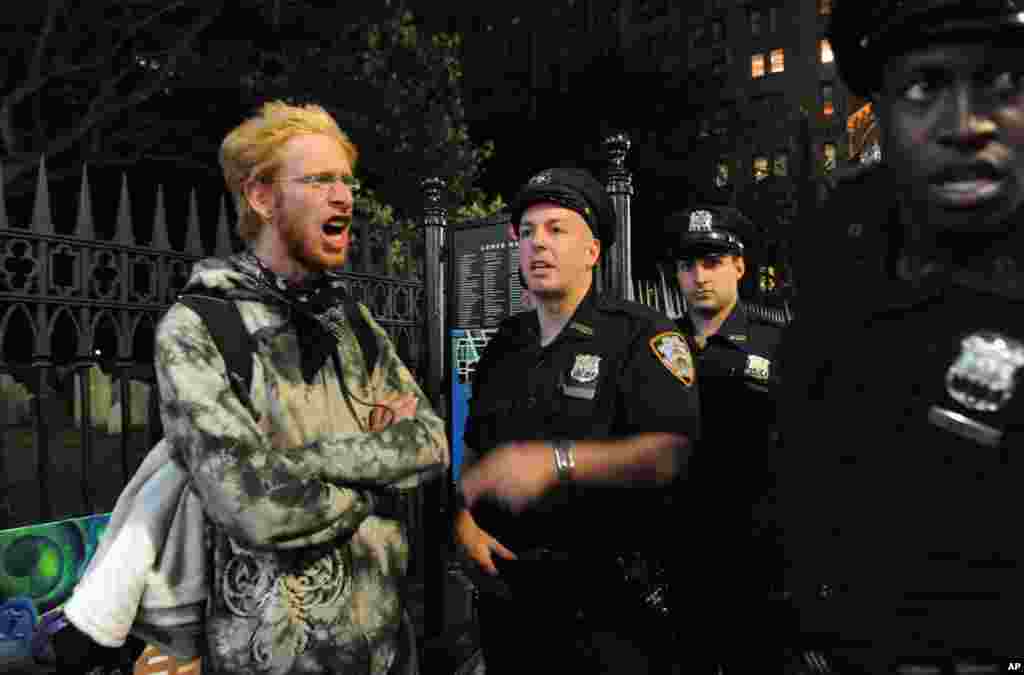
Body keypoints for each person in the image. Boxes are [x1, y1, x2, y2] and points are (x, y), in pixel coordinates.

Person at [42, 100, 449, 675]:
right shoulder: (199, 326)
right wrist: (374, 478)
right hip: (271, 657)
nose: (344, 197)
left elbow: (431, 443)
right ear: (261, 197)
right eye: (319, 180)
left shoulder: (354, 322)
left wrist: (291, 460)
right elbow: (253, 508)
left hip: (385, 646)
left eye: (346, 181)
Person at [778, 1, 1024, 671]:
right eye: (925, 87)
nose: (968, 124)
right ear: (879, 112)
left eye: (1006, 84)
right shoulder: (840, 260)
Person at [456, 167, 700, 674]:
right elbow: (477, 450)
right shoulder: (506, 343)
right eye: (526, 232)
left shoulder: (638, 335)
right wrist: (464, 523)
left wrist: (556, 461)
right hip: (509, 600)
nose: (537, 244)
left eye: (556, 229)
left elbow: (671, 452)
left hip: (604, 610)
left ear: (592, 251)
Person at [665, 204, 789, 672]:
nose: (699, 275)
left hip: (758, 564)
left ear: (739, 266)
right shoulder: (657, 345)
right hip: (677, 563)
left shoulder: (779, 344)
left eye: (712, 262)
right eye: (687, 264)